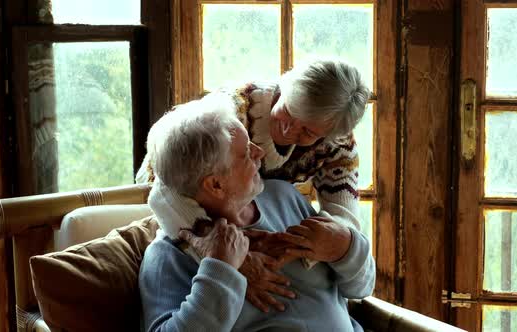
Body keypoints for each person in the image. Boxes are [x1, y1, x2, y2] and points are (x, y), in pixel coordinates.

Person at [139, 96, 375, 332]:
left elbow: (361, 289)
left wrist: (346, 248)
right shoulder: (169, 254)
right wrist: (221, 270)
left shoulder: (284, 197)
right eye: (245, 153)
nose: (260, 153)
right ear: (216, 185)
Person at [137, 59, 370, 231]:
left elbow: (345, 223)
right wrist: (221, 253)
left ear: (329, 135)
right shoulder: (229, 113)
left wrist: (319, 242)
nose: (289, 130)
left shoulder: (337, 144)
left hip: (248, 223)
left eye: (307, 131)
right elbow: (163, 192)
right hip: (176, 217)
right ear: (284, 86)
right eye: (288, 110)